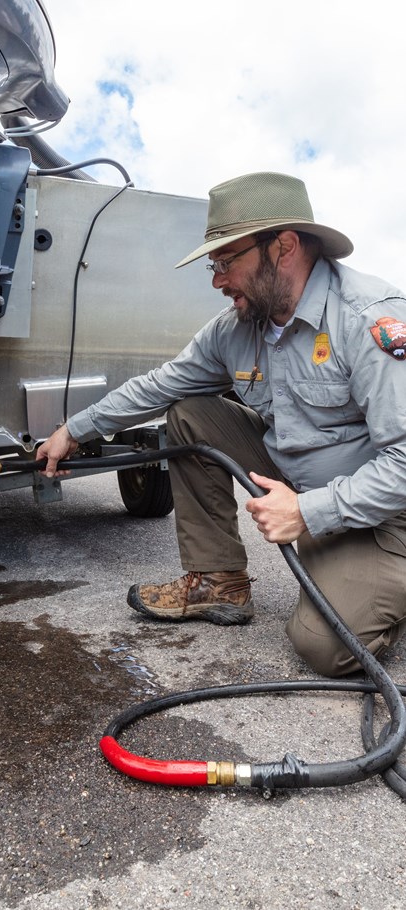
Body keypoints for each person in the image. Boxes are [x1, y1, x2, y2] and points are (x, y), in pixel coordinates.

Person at [36, 171, 406, 677]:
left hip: (383, 514)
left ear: (285, 247)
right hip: (296, 483)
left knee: (323, 648)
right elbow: (162, 384)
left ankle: (382, 579)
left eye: (226, 262)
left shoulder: (367, 318)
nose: (216, 280)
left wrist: (311, 512)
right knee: (190, 413)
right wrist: (75, 429)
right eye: (214, 264)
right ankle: (219, 582)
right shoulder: (234, 329)